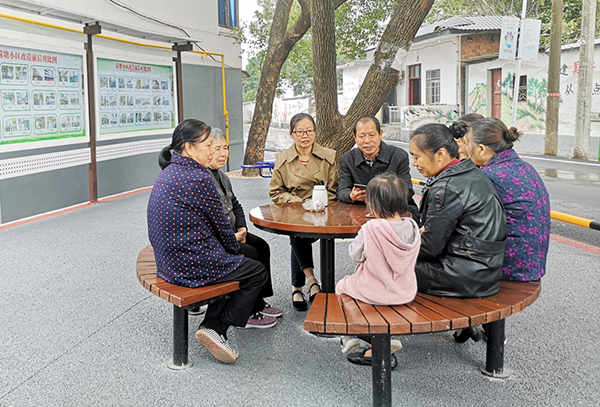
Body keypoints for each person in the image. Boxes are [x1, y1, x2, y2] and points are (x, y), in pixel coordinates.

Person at [147, 119, 268, 364]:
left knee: (249, 255)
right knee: (255, 271)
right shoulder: (199, 177)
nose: (214, 149)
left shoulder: (171, 169)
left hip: (167, 260)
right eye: (210, 144)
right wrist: (235, 248)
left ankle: (224, 318)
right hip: (187, 266)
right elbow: (224, 231)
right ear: (190, 148)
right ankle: (216, 327)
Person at [409, 123, 506, 298]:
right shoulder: (472, 172)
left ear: (440, 154)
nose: (414, 163)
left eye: (417, 157)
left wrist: (406, 242)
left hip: (461, 276)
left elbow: (430, 247)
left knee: (387, 262)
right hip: (486, 271)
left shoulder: (445, 187)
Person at [336, 173, 421, 368]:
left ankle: (351, 334)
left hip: (375, 291)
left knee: (341, 288)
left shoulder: (371, 228)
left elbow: (355, 255)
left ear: (373, 206)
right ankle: (377, 342)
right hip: (405, 292)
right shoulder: (412, 226)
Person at [207, 127, 283, 327]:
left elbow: (236, 205)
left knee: (262, 246)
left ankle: (259, 300)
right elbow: (212, 219)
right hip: (220, 240)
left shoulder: (222, 177)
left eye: (225, 148)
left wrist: (242, 227)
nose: (223, 153)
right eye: (217, 149)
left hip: (233, 234)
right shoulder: (202, 180)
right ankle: (249, 311)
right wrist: (233, 237)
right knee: (251, 254)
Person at [463, 118, 550, 281]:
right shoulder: (525, 166)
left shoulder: (489, 176)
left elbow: (470, 222)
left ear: (481, 149)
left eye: (468, 144)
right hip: (534, 263)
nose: (466, 150)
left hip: (512, 267)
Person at [269, 113, 338, 311]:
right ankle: (311, 281)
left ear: (315, 133)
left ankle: (297, 286)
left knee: (296, 237)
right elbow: (276, 192)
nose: (305, 136)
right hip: (295, 211)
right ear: (292, 134)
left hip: (323, 213)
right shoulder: (283, 160)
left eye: (309, 131)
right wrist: (298, 202)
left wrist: (320, 204)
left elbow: (334, 189)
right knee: (297, 232)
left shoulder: (328, 157)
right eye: (300, 132)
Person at [337, 116, 419, 221]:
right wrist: (351, 196)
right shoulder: (347, 159)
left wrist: (379, 197)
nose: (367, 141)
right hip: (361, 210)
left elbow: (407, 191)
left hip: (396, 211)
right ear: (354, 137)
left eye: (372, 135)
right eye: (362, 136)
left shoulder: (398, 156)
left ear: (380, 134)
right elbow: (342, 190)